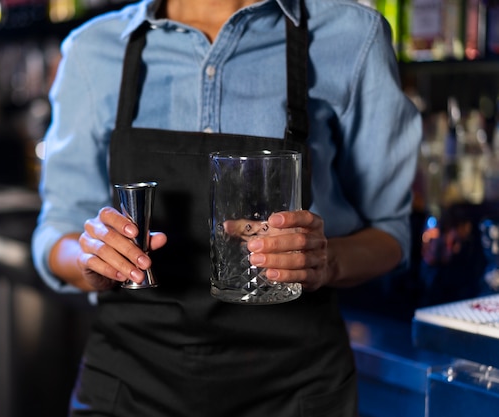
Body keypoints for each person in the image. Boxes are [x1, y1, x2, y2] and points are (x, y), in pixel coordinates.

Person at [31, 0, 422, 415]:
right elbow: (56, 230)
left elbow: (391, 233)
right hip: (129, 388)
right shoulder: (94, 49)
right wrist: (90, 256)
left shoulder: (353, 36)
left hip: (294, 392)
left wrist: (327, 261)